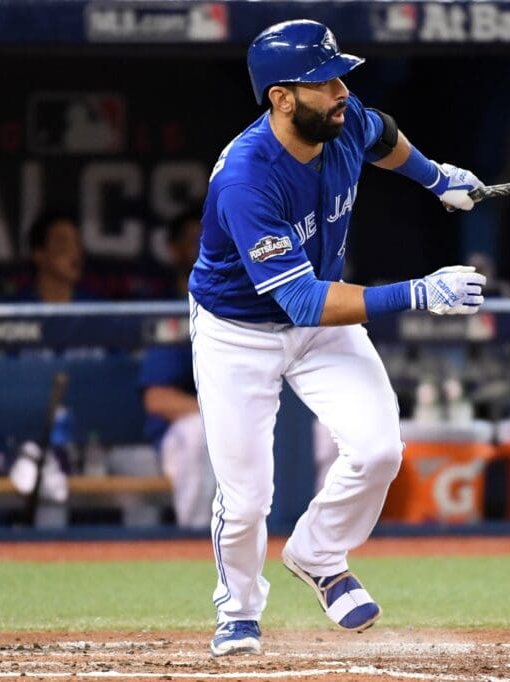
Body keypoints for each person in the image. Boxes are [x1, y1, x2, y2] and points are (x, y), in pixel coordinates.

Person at [190, 20, 486, 657]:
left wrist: (437, 178)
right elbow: (297, 300)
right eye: (323, 81)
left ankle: (319, 553)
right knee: (247, 499)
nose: (340, 90)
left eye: (340, 75)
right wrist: (417, 292)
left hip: (321, 318)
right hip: (240, 332)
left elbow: (384, 134)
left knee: (379, 450)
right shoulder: (246, 178)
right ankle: (238, 611)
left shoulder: (345, 121)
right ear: (281, 97)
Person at [139, 209, 215, 529]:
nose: (202, 244)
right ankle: (195, 542)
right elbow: (157, 399)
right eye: (192, 239)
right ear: (174, 250)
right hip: (181, 436)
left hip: (246, 422)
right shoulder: (173, 310)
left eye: (207, 236)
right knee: (200, 431)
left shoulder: (246, 302)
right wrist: (226, 413)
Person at [23, 211, 86, 303]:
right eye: (63, 246)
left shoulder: (98, 311)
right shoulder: (12, 310)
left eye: (77, 244)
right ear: (39, 255)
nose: (76, 253)